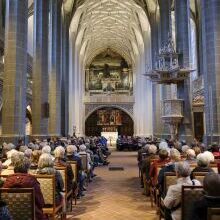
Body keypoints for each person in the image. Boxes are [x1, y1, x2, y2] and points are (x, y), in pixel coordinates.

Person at [3, 153, 48, 220]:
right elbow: (41, 202)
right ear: (27, 168)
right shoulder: (32, 181)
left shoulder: (7, 181)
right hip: (32, 215)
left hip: (10, 215)